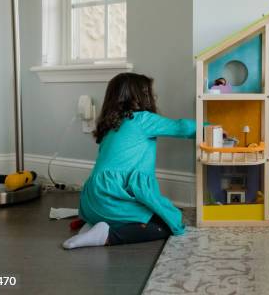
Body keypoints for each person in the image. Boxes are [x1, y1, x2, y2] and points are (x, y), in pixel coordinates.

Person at [63, 73, 195, 249]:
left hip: (92, 202)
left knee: (161, 214)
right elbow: (182, 127)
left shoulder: (111, 125)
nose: (154, 97)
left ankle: (95, 225)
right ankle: (107, 235)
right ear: (140, 97)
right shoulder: (142, 120)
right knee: (166, 223)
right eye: (149, 93)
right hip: (112, 200)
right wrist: (212, 128)